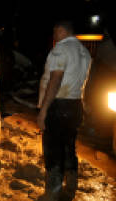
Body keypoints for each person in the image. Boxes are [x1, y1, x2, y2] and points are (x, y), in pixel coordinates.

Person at [37, 21, 91, 201]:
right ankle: (71, 188)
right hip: (75, 105)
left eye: (55, 31)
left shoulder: (60, 49)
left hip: (58, 105)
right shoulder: (84, 52)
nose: (53, 35)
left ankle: (52, 193)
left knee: (53, 149)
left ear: (62, 30)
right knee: (69, 147)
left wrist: (43, 111)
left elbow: (55, 80)